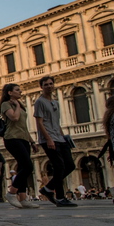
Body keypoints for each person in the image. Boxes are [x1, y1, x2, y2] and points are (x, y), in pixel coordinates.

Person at [33, 76, 77, 207]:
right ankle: (61, 197)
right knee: (59, 166)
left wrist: (63, 137)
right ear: (41, 87)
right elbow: (39, 122)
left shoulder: (55, 102)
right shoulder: (39, 102)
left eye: (51, 84)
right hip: (48, 139)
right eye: (46, 84)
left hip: (59, 137)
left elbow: (56, 123)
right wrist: (48, 139)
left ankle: (47, 188)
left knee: (70, 165)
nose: (49, 86)